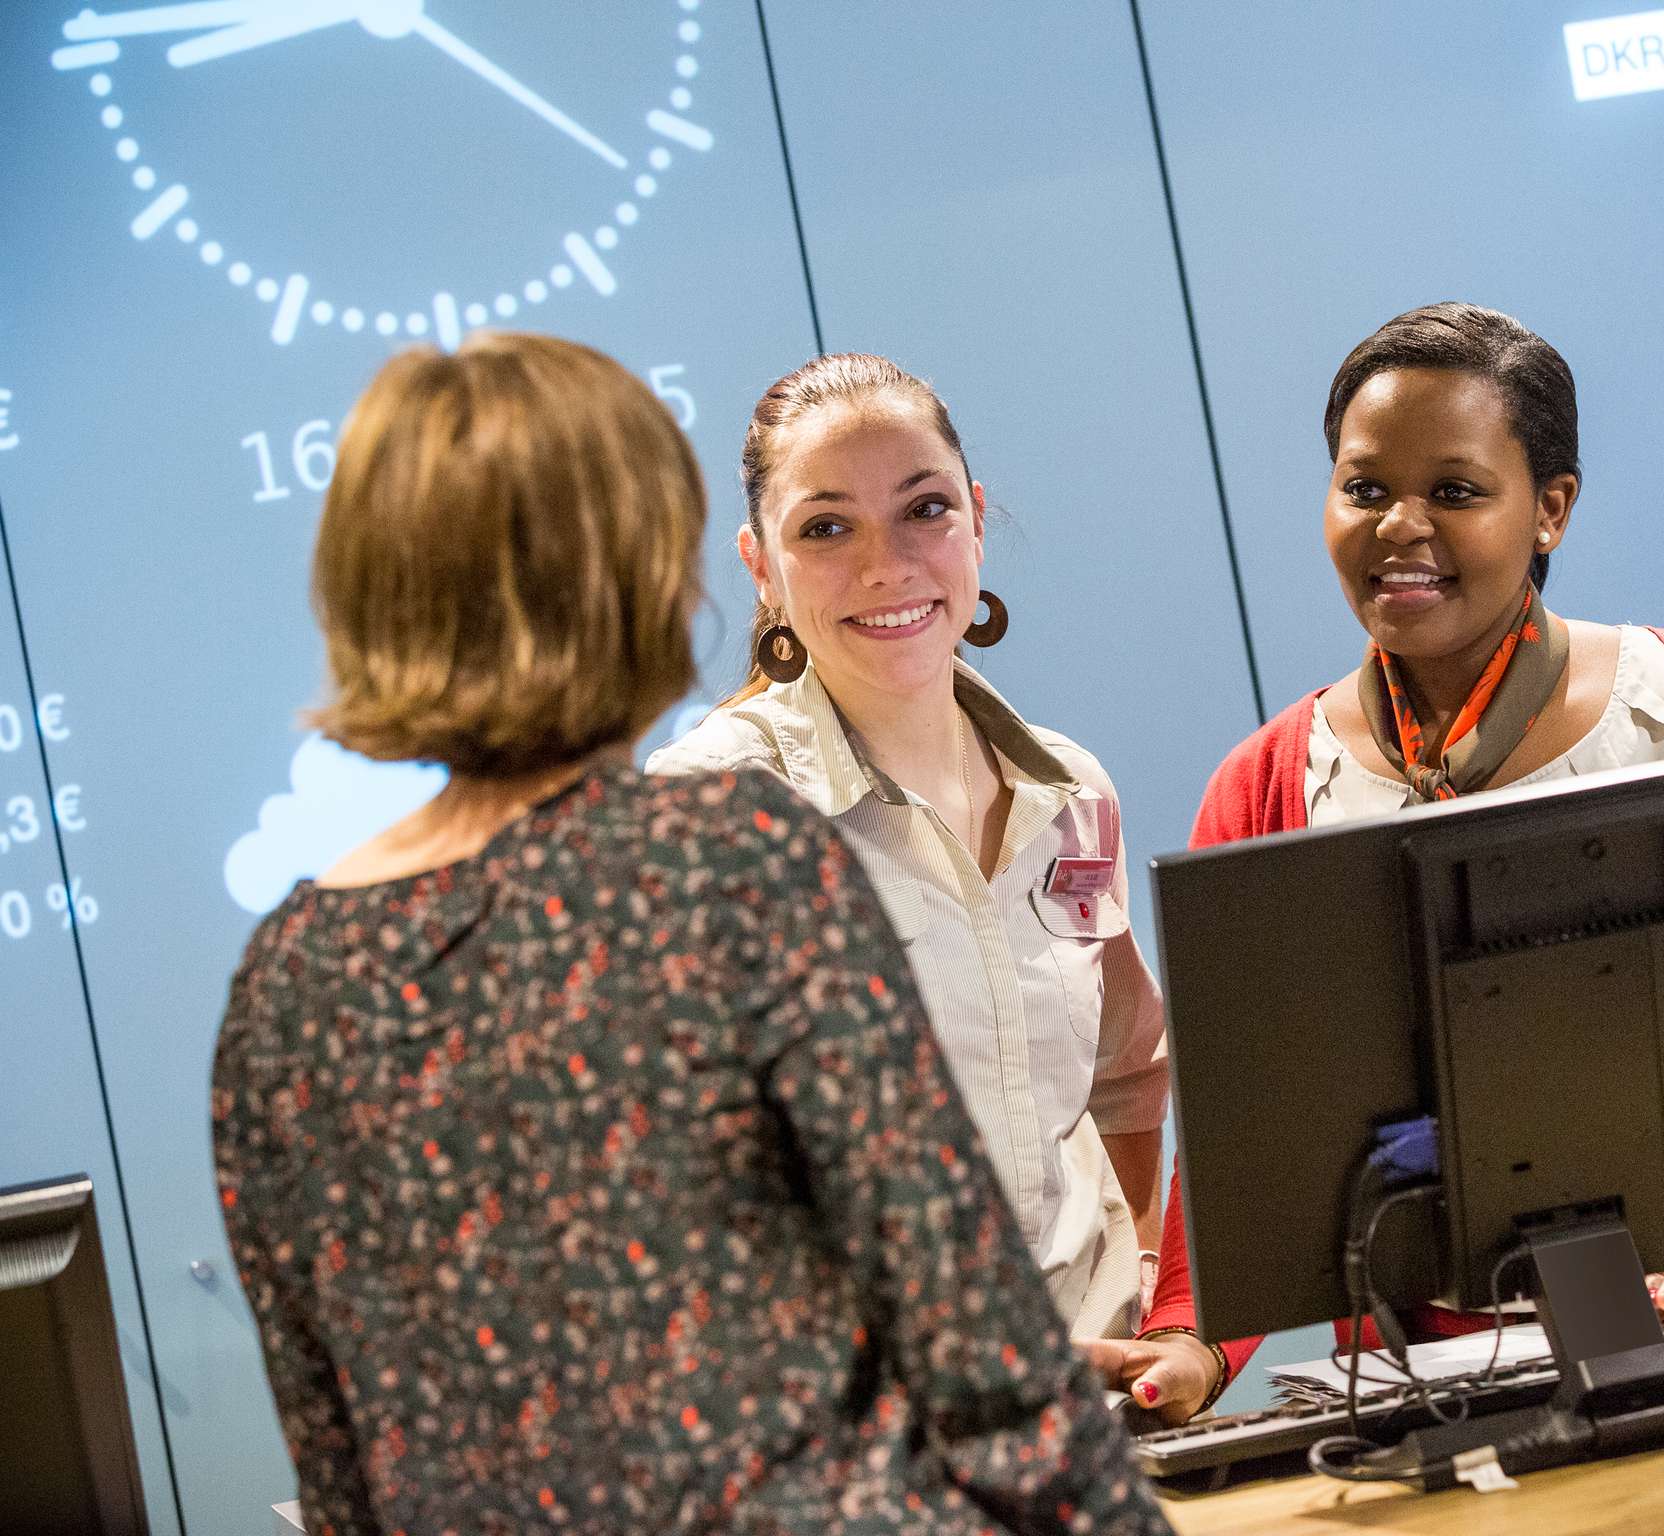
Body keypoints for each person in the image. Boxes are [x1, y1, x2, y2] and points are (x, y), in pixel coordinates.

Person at [211, 333, 1168, 1535]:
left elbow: (336, 1435)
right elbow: (976, 1348)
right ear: (658, 578)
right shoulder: (723, 859)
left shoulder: (284, 977)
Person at [1087, 302, 1664, 1423]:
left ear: (1550, 509)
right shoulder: (1267, 784)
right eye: (1364, 489)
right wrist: (1186, 1339)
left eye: (1455, 492)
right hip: (1450, 1401)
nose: (1397, 526)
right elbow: (1247, 1152)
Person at [647, 354, 1168, 1340]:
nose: (886, 566)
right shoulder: (705, 815)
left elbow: (1124, 1074)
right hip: (879, 1444)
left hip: (1100, 1411)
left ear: (973, 518)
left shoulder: (1071, 795)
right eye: (826, 527)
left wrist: (1144, 1290)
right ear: (760, 566)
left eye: (923, 509)